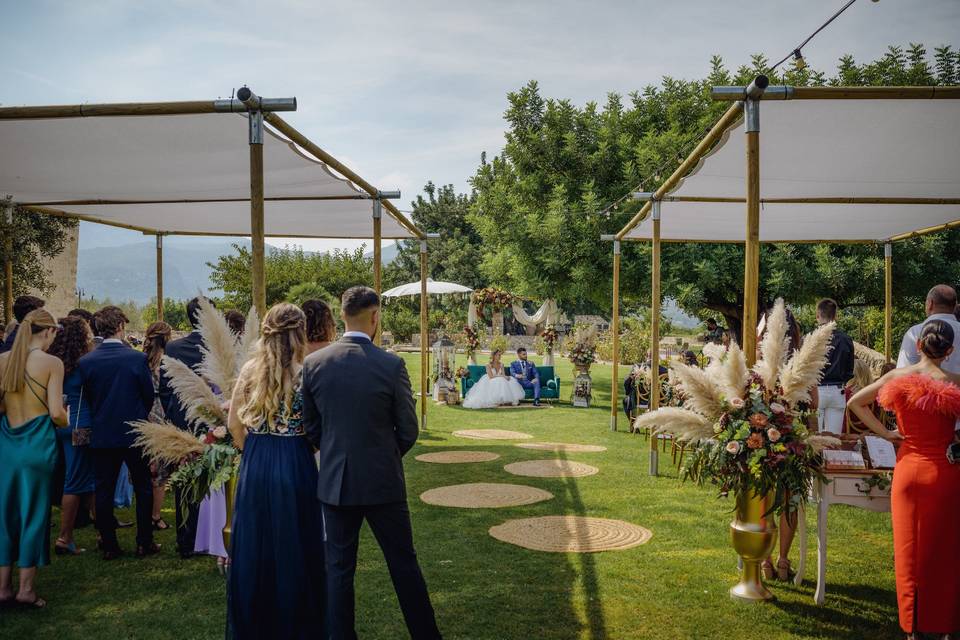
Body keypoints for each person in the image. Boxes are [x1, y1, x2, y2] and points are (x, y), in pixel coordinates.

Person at [302, 286, 440, 639]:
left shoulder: (314, 365)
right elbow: (408, 429)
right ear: (375, 316)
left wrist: (335, 456)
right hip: (383, 483)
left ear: (342, 315)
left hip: (335, 483)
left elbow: (312, 428)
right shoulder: (391, 365)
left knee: (338, 571)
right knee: (404, 565)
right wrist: (383, 456)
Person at [849, 320, 960, 638]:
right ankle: (945, 629)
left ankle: (911, 629)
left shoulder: (898, 377)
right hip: (946, 475)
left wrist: (887, 434)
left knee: (908, 551)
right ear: (949, 351)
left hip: (908, 470)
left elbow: (855, 402)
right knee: (946, 553)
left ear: (918, 346)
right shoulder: (956, 382)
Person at [227, 303, 325, 638]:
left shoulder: (250, 370)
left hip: (256, 459)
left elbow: (234, 425)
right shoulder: (308, 371)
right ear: (300, 332)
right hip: (295, 459)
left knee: (256, 543)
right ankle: (297, 623)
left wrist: (255, 452)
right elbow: (317, 431)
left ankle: (256, 623)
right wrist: (299, 448)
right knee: (296, 541)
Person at [0, 309, 68, 609]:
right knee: (34, 514)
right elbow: (55, 412)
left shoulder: (3, 360)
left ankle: (2, 588)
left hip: (7, 443)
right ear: (49, 332)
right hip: (38, 444)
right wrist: (67, 420)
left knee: (4, 515)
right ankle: (26, 589)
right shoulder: (52, 363)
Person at [78, 306, 159, 560]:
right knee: (143, 486)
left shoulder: (86, 362)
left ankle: (110, 545)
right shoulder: (135, 358)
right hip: (134, 431)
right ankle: (144, 541)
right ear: (121, 327)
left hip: (103, 432)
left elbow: (88, 398)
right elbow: (148, 394)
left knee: (104, 489)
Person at [159, 296, 208, 558]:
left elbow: (165, 389)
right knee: (214, 480)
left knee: (184, 481)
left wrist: (174, 417)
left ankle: (186, 540)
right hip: (211, 421)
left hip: (182, 421)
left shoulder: (174, 347)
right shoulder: (215, 346)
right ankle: (209, 537)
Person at [47, 316, 97, 555]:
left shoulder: (56, 362)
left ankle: (99, 529)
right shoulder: (83, 364)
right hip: (81, 425)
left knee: (82, 478)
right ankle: (65, 537)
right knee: (75, 481)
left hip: (61, 424)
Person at [143, 321, 173, 531]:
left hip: (144, 411)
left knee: (145, 466)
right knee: (160, 470)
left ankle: (147, 513)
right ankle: (155, 515)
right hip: (161, 410)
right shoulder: (167, 361)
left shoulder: (141, 360)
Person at [897, 284, 960, 374]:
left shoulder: (915, 332)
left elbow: (904, 370)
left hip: (922, 387)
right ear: (954, 307)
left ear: (930, 304)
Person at [814, 299, 854, 434]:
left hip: (816, 391)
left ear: (817, 315)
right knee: (834, 440)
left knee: (814, 438)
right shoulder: (846, 339)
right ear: (835, 316)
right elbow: (850, 370)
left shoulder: (810, 338)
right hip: (838, 390)